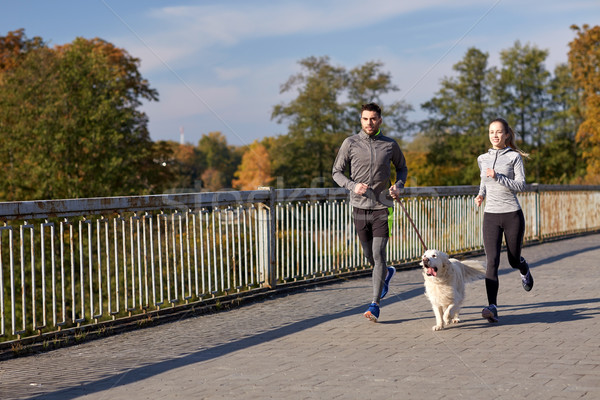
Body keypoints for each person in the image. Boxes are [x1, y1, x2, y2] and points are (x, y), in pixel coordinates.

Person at [332, 102, 408, 322]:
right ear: (360, 120)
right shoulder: (350, 143)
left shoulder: (390, 145)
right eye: (365, 119)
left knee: (377, 253)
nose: (369, 122)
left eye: (373, 118)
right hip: (359, 206)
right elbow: (336, 172)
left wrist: (399, 185)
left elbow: (401, 167)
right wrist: (352, 185)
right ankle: (386, 272)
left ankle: (375, 304)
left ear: (380, 120)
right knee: (368, 254)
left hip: (383, 206)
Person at [475, 117, 534, 323]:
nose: (495, 135)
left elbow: (521, 185)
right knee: (492, 261)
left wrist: (498, 176)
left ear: (507, 134)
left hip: (511, 214)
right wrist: (480, 194)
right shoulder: (482, 158)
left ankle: (523, 266)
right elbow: (484, 181)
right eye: (492, 132)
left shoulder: (514, 157)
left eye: (499, 132)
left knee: (512, 259)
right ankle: (492, 306)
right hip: (491, 215)